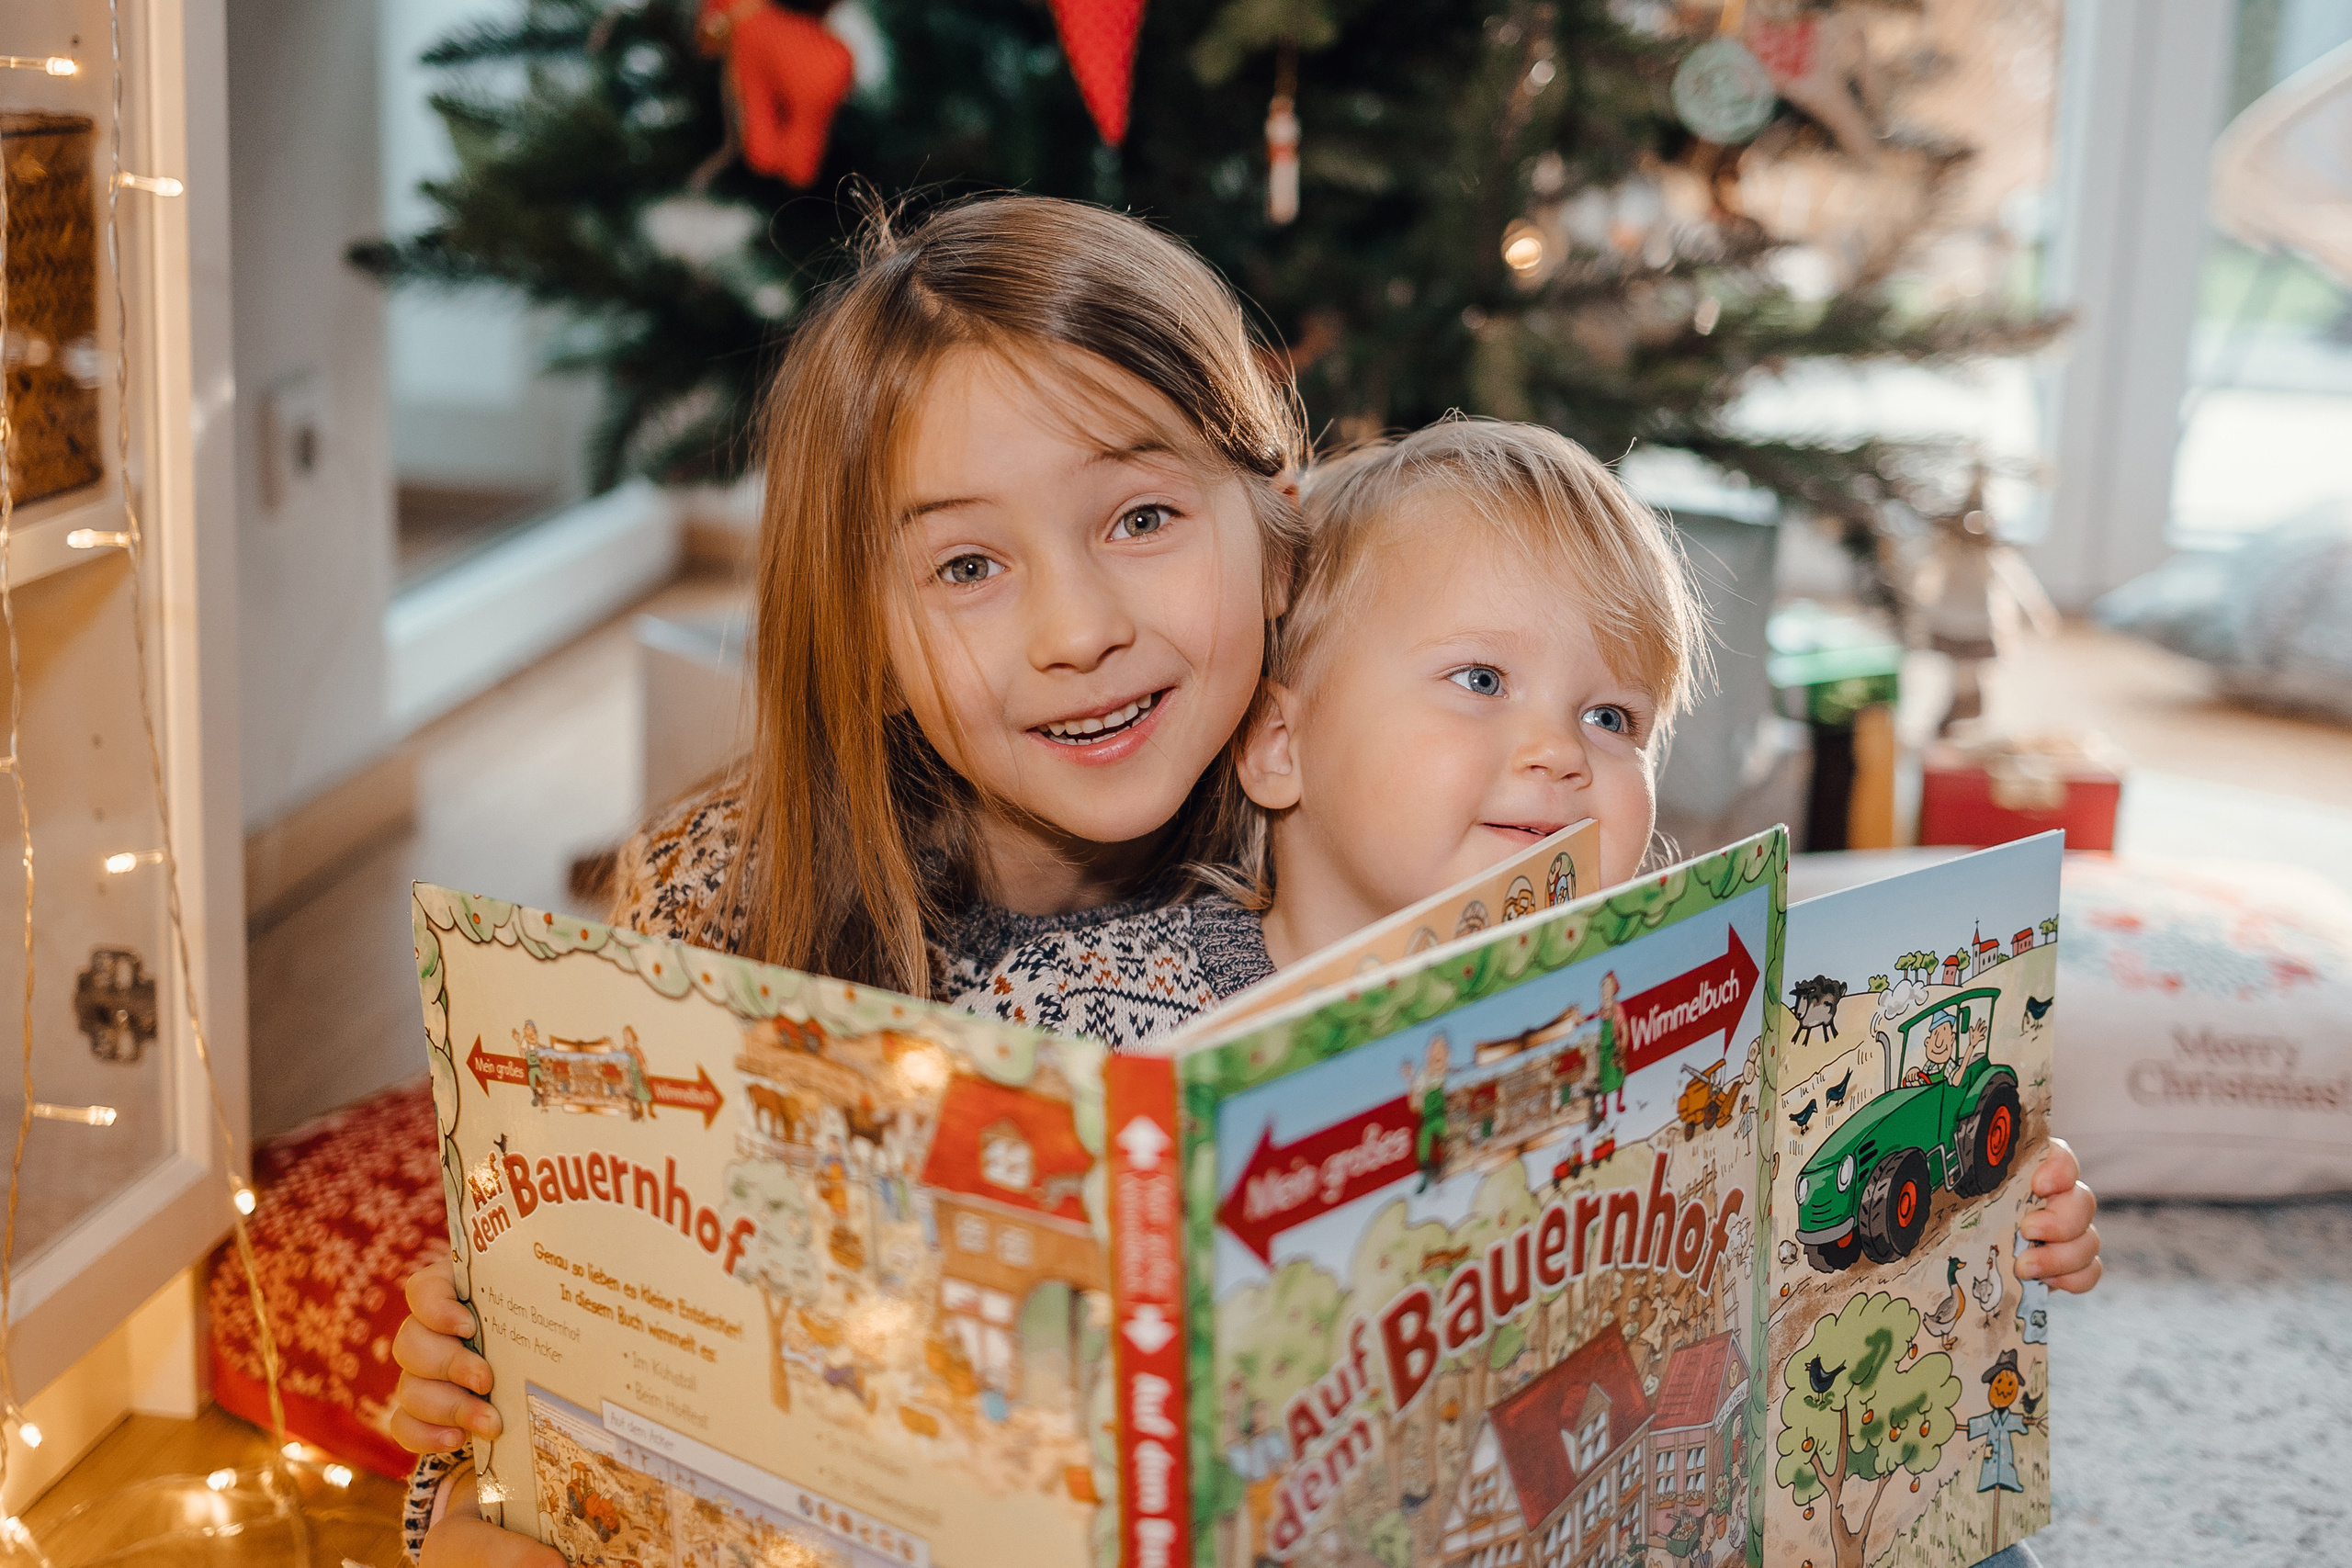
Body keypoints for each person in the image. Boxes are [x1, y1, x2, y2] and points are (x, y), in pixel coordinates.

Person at [395, 191, 1308, 1566]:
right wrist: (489, 1385)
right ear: (865, 638)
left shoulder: (1341, 857)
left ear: (1277, 531)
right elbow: (597, 1396)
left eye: (1141, 517)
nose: (1079, 630)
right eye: (968, 564)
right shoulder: (728, 894)